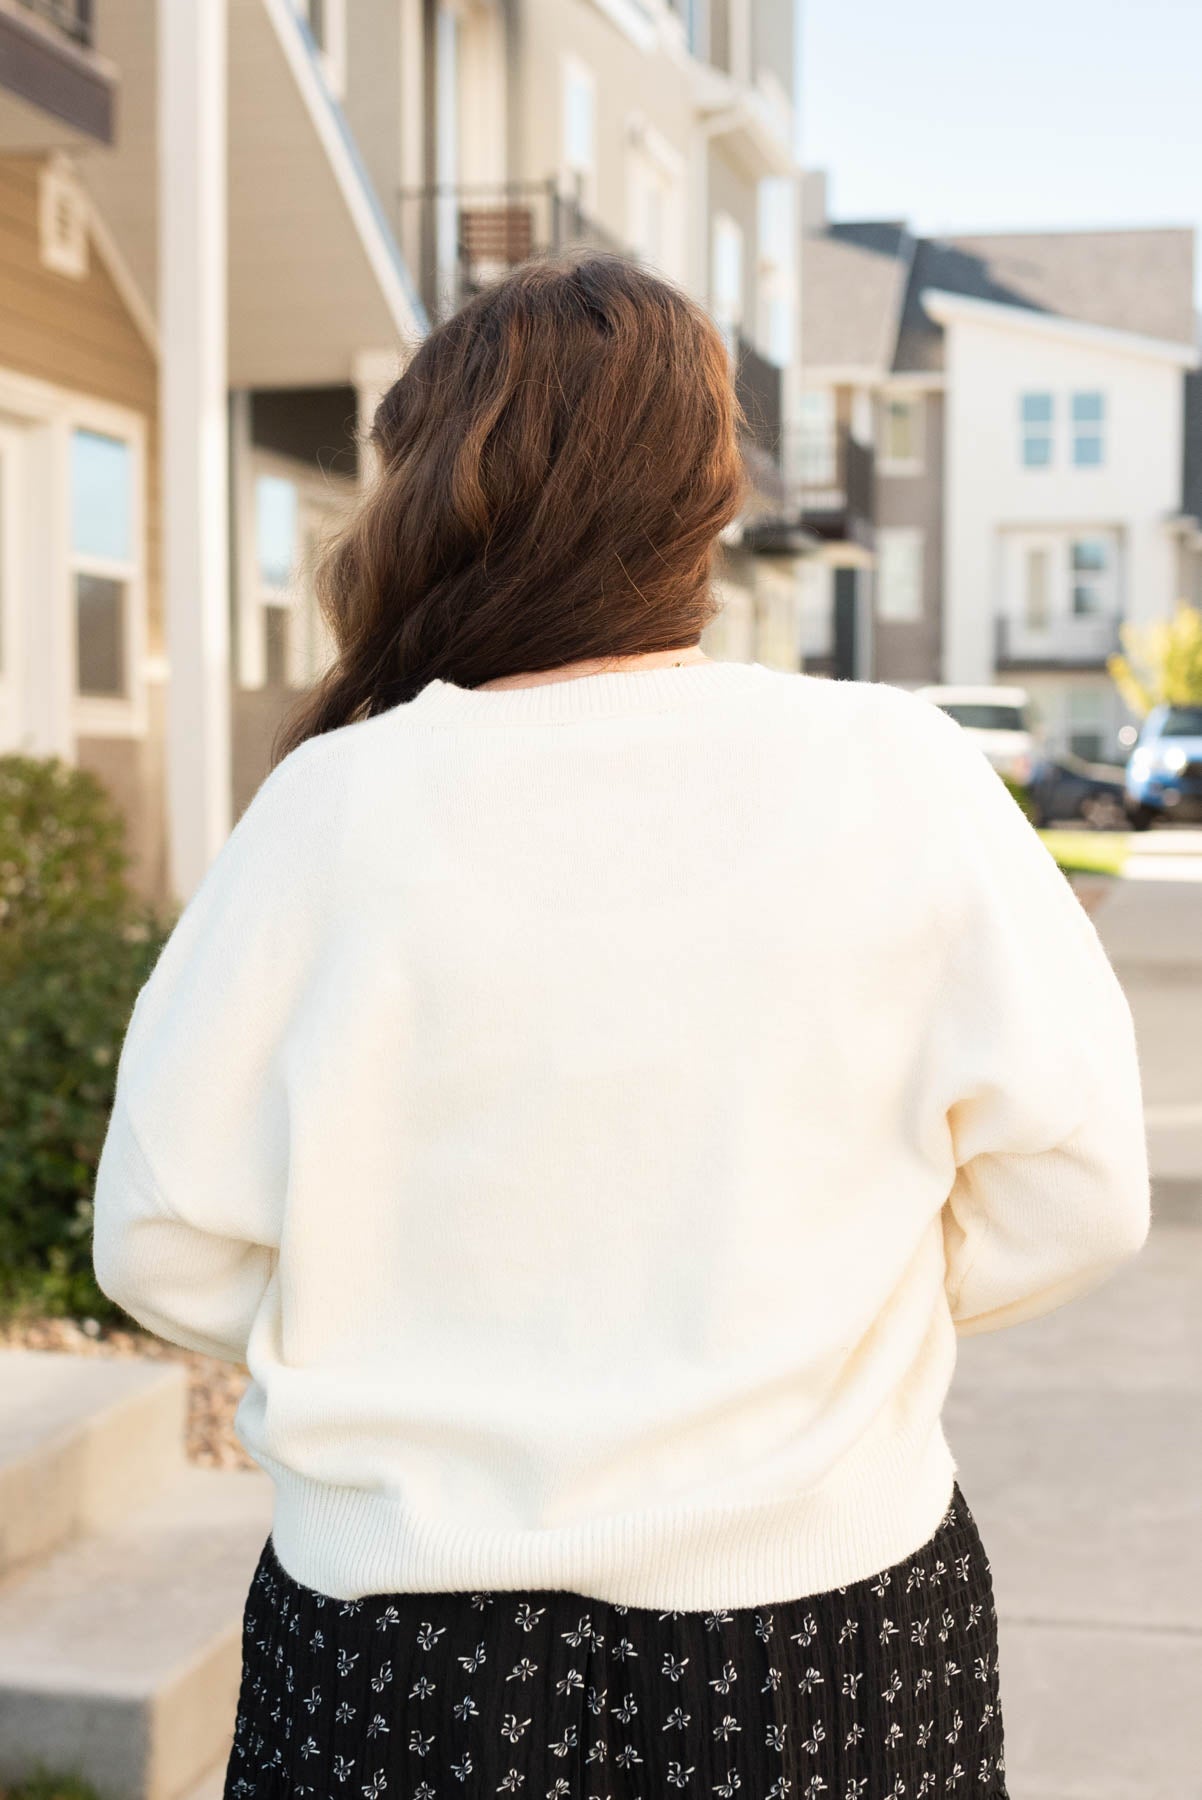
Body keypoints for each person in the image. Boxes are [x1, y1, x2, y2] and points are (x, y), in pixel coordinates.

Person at [91, 253, 1150, 1800]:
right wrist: (805, 1305)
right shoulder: (891, 769)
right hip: (827, 1641)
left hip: (402, 1655)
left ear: (434, 494)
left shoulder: (333, 803)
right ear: (708, 495)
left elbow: (165, 1235)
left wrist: (410, 1309)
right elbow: (1075, 1192)